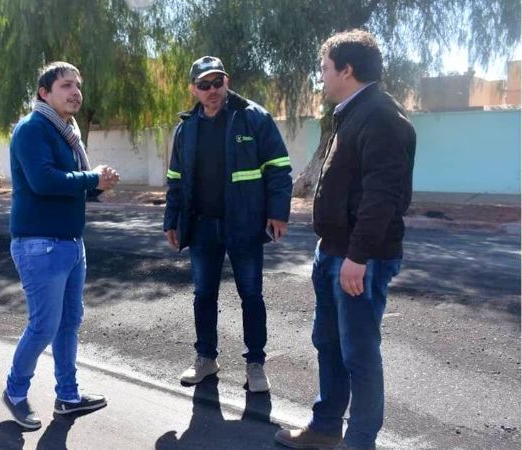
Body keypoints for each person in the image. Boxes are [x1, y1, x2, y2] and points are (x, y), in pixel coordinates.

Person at [274, 30, 416, 450]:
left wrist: (358, 256)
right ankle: (324, 429)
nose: (321, 77)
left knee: (360, 355)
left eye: (324, 68)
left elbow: (383, 195)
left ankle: (359, 443)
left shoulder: (381, 117)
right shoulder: (352, 112)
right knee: (330, 344)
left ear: (346, 70)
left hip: (359, 260)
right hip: (334, 252)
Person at [163, 56, 292, 392]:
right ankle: (206, 358)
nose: (212, 90)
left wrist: (278, 212)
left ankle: (255, 365)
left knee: (251, 294)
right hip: (202, 226)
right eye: (204, 85)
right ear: (193, 89)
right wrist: (171, 221)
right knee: (203, 294)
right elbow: (175, 179)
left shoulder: (253, 118)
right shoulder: (186, 128)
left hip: (244, 224)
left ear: (226, 81)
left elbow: (279, 167)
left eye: (217, 82)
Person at [2, 61, 120, 430]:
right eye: (66, 85)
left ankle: (68, 396)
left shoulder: (67, 132)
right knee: (43, 325)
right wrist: (91, 178)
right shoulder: (33, 129)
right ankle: (15, 392)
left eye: (78, 86)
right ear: (44, 93)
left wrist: (96, 185)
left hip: (70, 244)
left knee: (70, 321)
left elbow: (69, 184)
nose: (75, 92)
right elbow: (43, 181)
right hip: (39, 245)